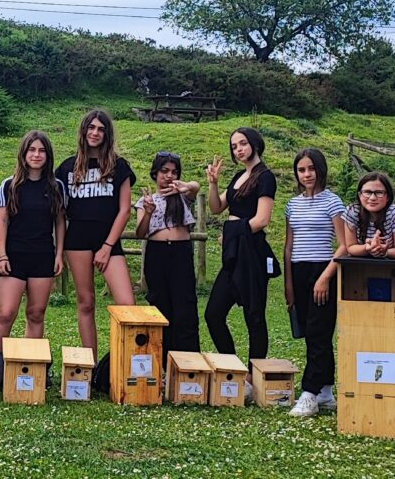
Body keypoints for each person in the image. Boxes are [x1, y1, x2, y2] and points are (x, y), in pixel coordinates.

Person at [0, 131, 66, 388]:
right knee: (6, 313)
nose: (36, 155)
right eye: (32, 150)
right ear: (23, 153)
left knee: (36, 313)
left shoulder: (56, 186)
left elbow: (60, 223)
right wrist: (2, 255)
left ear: (48, 156)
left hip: (43, 256)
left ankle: (31, 368)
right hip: (14, 257)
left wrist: (58, 254)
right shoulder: (9, 185)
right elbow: (2, 221)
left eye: (41, 151)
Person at [56, 109, 136, 354]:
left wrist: (107, 246)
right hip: (77, 240)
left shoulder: (118, 166)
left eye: (101, 129)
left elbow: (124, 211)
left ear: (107, 134)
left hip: (108, 242)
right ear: (83, 131)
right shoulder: (66, 168)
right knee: (86, 302)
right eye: (91, 127)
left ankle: (122, 363)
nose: (95, 133)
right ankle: (89, 362)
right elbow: (59, 212)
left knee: (127, 305)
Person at [204, 127, 278, 389]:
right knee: (213, 314)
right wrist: (213, 183)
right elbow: (216, 208)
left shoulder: (265, 177)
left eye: (243, 143)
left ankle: (252, 376)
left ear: (255, 144)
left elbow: (262, 220)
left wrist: (232, 232)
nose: (238, 149)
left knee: (254, 315)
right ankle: (233, 366)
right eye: (234, 146)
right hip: (233, 252)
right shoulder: (238, 176)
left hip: (252, 252)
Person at [282, 148, 346, 417]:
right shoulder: (292, 205)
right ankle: (327, 392)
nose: (307, 174)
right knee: (311, 333)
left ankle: (309, 393)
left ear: (321, 170)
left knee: (319, 332)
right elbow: (288, 247)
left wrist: (325, 277)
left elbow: (344, 245)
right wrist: (288, 285)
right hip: (298, 270)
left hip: (323, 269)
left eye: (311, 169)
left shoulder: (333, 202)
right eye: (301, 170)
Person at [135, 151, 201, 353]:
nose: (169, 176)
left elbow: (196, 187)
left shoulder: (183, 195)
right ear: (155, 173)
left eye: (174, 172)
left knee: (185, 305)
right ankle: (161, 359)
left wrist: (186, 186)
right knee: (159, 304)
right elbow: (140, 232)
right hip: (157, 253)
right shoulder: (146, 200)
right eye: (164, 171)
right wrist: (148, 211)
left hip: (181, 253)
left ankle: (187, 359)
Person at [342, 172, 395, 260]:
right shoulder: (352, 211)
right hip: (359, 265)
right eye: (367, 192)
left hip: (389, 266)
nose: (372, 198)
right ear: (359, 195)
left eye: (379, 192)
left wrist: (384, 251)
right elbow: (351, 247)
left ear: (388, 196)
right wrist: (367, 248)